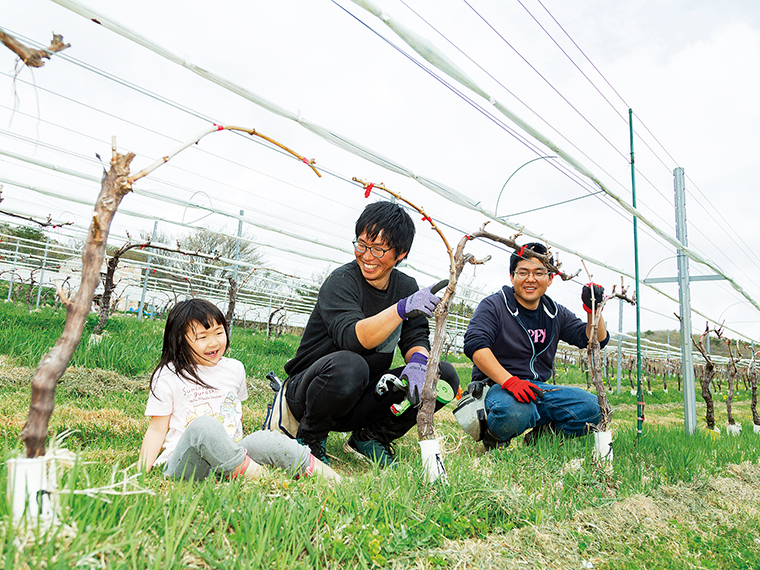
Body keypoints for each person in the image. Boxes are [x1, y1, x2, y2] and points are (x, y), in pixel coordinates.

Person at [283, 200, 460, 468]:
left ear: (401, 253)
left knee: (441, 374)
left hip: (363, 396)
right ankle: (310, 439)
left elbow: (416, 337)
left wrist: (418, 362)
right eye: (362, 245)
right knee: (351, 365)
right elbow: (354, 339)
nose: (367, 256)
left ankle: (370, 437)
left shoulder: (405, 286)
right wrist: (401, 309)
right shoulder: (341, 281)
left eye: (378, 249)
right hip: (312, 391)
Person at [138, 298, 341, 482]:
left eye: (218, 332)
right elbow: (156, 429)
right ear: (180, 342)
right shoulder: (168, 375)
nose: (214, 342)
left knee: (266, 438)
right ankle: (264, 481)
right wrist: (141, 472)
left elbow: (236, 414)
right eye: (202, 337)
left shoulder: (234, 368)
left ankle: (334, 480)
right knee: (205, 427)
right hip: (188, 466)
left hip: (230, 458)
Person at [462, 242, 608, 450]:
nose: (530, 279)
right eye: (523, 272)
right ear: (512, 277)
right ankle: (493, 441)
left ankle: (539, 440)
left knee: (596, 408)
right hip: (496, 387)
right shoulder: (494, 305)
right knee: (517, 409)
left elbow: (595, 340)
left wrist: (594, 309)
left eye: (539, 273)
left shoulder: (554, 312)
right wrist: (510, 382)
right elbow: (475, 346)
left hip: (536, 389)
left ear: (550, 279)